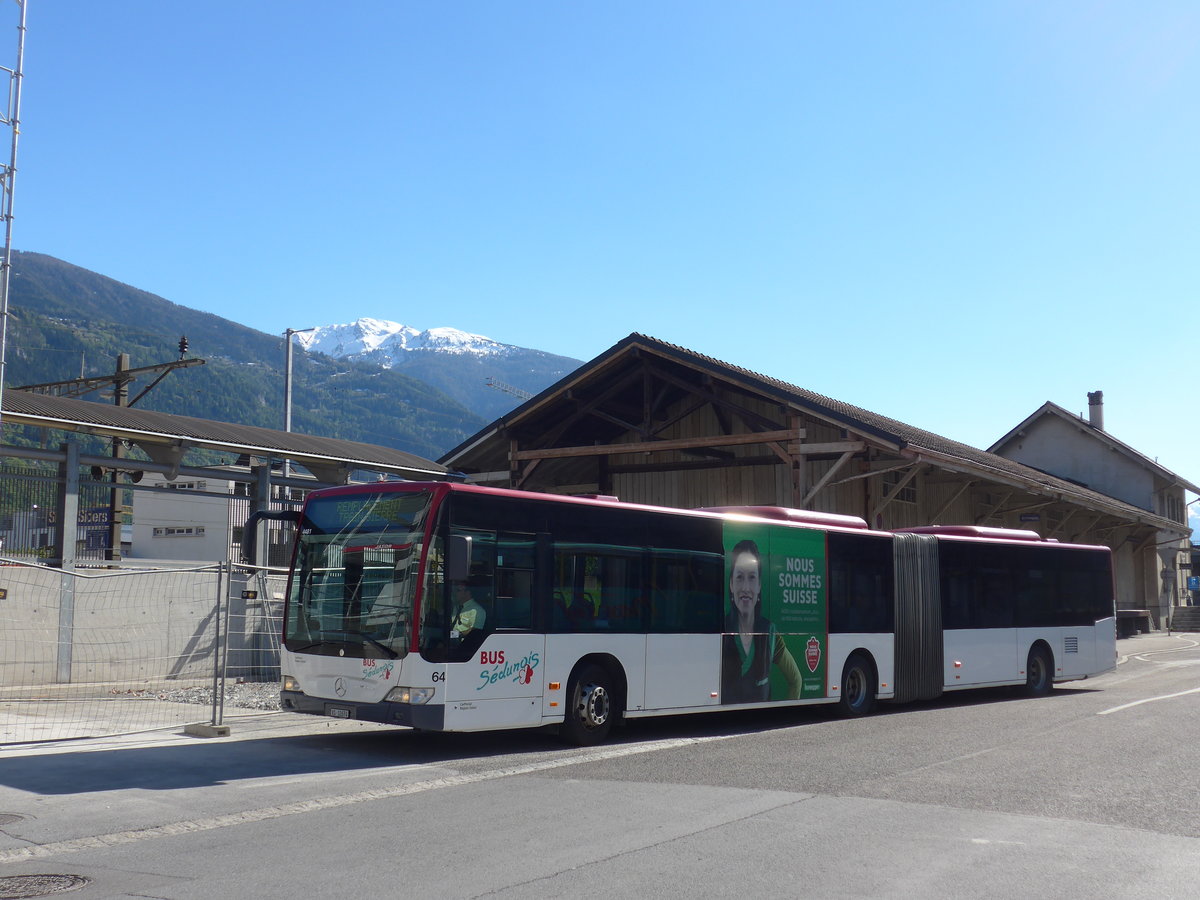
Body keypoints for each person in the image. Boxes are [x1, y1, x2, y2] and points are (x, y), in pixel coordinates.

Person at [721, 539, 803, 703]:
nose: (745, 588)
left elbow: (796, 680)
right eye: (739, 577)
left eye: (751, 577)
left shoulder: (770, 634)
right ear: (731, 584)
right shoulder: (719, 629)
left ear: (759, 585)